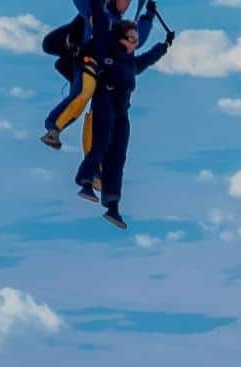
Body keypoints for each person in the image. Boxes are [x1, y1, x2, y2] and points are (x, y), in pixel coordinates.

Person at [40, 0, 156, 150]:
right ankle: (53, 129)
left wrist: (149, 17)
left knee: (99, 115)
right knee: (82, 94)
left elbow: (138, 39)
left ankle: (94, 165)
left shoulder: (122, 26)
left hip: (105, 72)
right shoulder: (98, 9)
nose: (126, 2)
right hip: (86, 62)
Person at [74, 17, 173, 229]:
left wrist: (164, 46)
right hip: (105, 102)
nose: (134, 43)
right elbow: (99, 29)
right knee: (100, 145)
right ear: (120, 38)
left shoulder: (131, 62)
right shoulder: (107, 53)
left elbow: (147, 59)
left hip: (121, 111)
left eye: (136, 40)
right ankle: (86, 181)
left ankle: (112, 206)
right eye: (131, 38)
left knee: (117, 157)